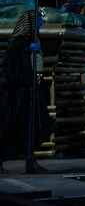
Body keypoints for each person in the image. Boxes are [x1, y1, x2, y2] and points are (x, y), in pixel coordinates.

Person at [0, 9, 54, 173]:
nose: (41, 23)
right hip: (18, 93)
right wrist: (26, 51)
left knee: (30, 127)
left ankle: (31, 161)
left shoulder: (32, 40)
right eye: (38, 20)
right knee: (13, 127)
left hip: (31, 90)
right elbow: (10, 64)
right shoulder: (20, 41)